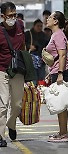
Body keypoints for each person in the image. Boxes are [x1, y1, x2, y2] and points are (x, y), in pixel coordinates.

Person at [0, 2, 25, 147]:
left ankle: (12, 124)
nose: (13, 18)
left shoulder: (20, 26)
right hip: (2, 70)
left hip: (17, 70)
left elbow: (23, 46)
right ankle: (0, 136)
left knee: (17, 105)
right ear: (2, 16)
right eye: (10, 16)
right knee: (3, 104)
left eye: (14, 15)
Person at [45, 11, 68, 142]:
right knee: (60, 104)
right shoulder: (55, 34)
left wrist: (60, 73)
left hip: (61, 73)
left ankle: (64, 134)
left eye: (50, 17)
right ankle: (62, 132)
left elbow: (62, 55)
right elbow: (56, 58)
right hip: (56, 71)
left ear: (56, 21)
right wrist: (51, 73)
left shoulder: (58, 35)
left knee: (61, 104)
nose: (47, 19)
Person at [25, 19, 48, 85]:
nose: (39, 28)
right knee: (33, 79)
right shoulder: (28, 34)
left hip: (41, 59)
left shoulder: (44, 35)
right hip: (31, 60)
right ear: (34, 26)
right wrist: (29, 46)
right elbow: (22, 44)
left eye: (41, 26)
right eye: (38, 26)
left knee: (41, 78)